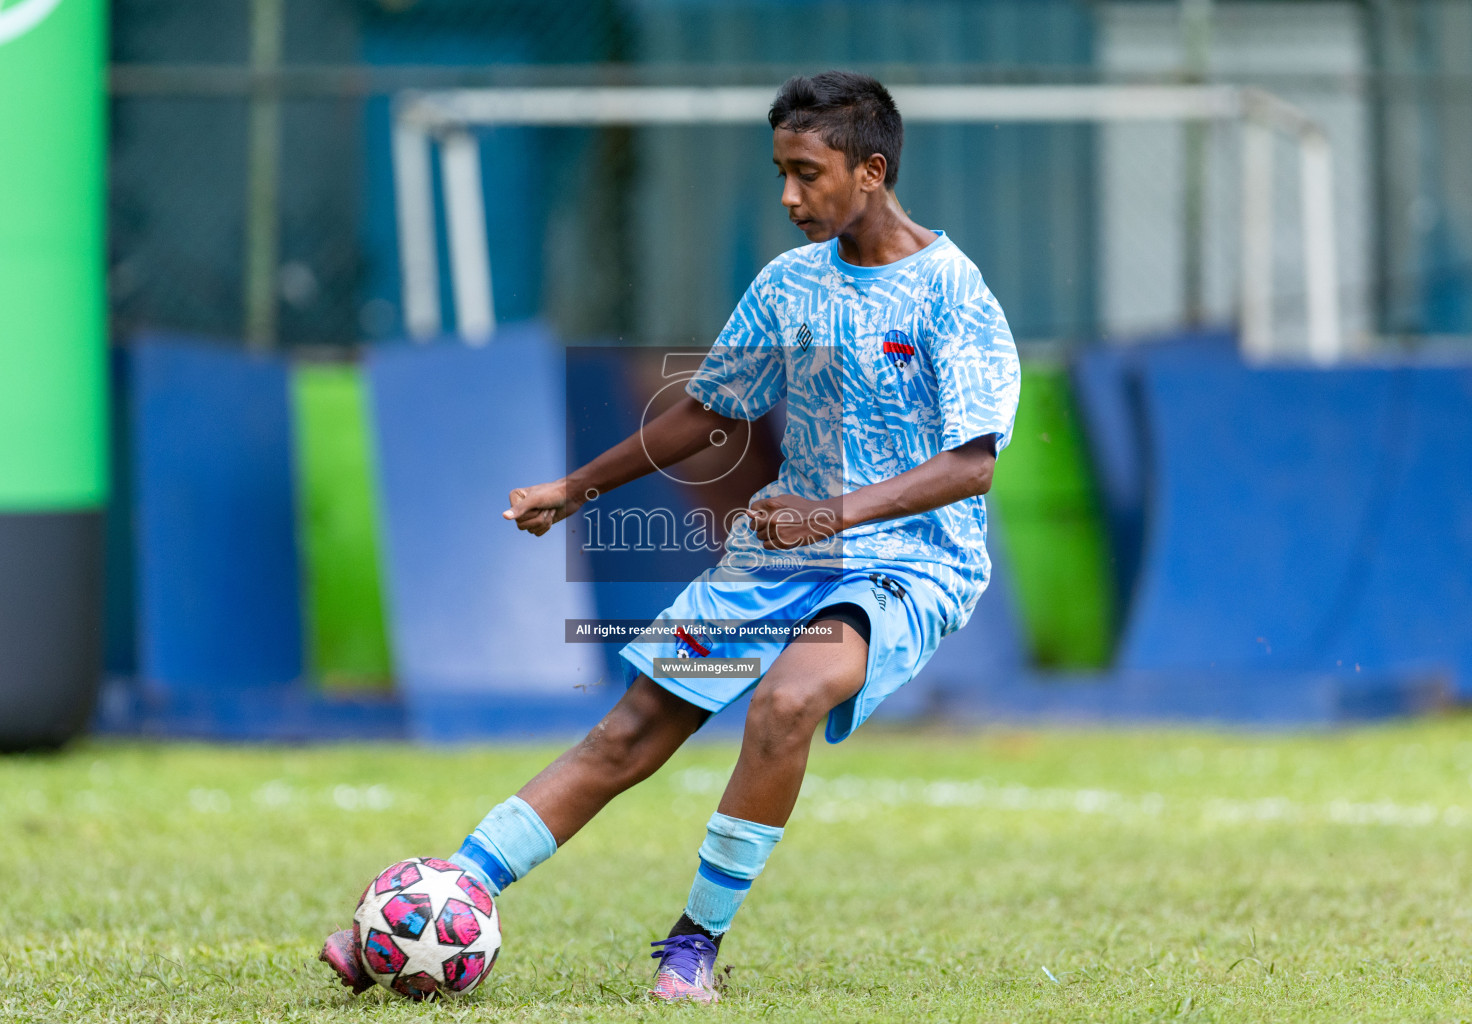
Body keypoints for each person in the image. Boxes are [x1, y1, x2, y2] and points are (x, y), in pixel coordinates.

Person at [321, 69, 1020, 1004]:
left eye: (807, 173)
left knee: (786, 700)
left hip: (913, 559)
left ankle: (692, 947)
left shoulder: (954, 294)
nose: (787, 196)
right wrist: (577, 488)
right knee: (631, 731)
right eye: (780, 171)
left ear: (872, 171)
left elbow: (971, 466)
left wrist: (831, 513)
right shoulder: (789, 284)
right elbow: (706, 413)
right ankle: (441, 905)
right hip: (787, 547)